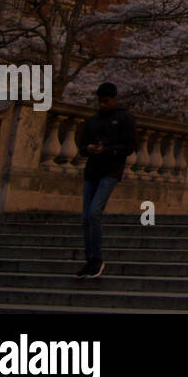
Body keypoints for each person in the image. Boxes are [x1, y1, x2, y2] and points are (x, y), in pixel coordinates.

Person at [75, 82, 137, 279]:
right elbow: (81, 146)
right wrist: (89, 149)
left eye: (107, 101)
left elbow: (130, 146)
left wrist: (108, 150)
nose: (103, 104)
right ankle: (90, 258)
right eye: (101, 101)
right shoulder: (92, 121)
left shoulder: (124, 118)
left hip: (111, 170)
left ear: (114, 99)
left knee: (94, 213)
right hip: (92, 170)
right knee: (86, 217)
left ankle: (96, 259)